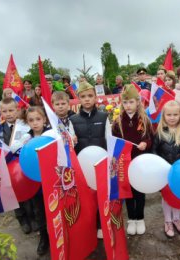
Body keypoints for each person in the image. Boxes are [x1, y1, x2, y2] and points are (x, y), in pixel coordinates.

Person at [70, 82, 111, 238]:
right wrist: (71, 142)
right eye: (83, 96)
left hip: (101, 164)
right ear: (79, 99)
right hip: (82, 166)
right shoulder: (73, 119)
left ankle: (101, 224)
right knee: (86, 196)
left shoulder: (104, 116)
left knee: (101, 194)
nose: (87, 99)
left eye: (90, 96)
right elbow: (71, 145)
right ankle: (90, 225)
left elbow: (109, 139)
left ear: (95, 97)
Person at [112, 84, 153, 236]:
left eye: (131, 102)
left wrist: (145, 144)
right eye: (125, 102)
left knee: (139, 192)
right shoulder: (118, 122)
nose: (128, 106)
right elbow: (114, 141)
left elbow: (150, 138)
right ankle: (131, 218)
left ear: (138, 102)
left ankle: (140, 218)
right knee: (128, 192)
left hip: (140, 163)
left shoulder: (144, 120)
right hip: (125, 163)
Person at [152, 100, 180, 237]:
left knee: (178, 195)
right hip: (165, 172)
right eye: (169, 115)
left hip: (179, 172)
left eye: (175, 114)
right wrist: (160, 166)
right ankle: (168, 221)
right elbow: (154, 151)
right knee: (167, 196)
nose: (172, 117)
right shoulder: (159, 132)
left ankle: (177, 219)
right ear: (164, 116)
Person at [0, 98, 33, 235]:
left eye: (11, 110)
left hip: (23, 164)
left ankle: (32, 216)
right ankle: (22, 219)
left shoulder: (25, 125)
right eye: (4, 111)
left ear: (17, 110)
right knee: (15, 193)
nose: (8, 113)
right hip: (8, 167)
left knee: (27, 190)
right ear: (1, 112)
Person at [24, 106, 50, 255]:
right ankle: (44, 237)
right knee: (39, 211)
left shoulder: (51, 136)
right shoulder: (26, 139)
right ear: (27, 122)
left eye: (38, 119)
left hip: (51, 181)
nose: (35, 123)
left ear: (44, 120)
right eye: (31, 120)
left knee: (53, 209)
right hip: (35, 184)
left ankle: (57, 235)